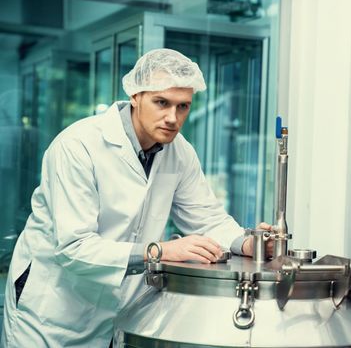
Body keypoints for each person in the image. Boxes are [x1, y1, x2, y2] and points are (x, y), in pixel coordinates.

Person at [1, 48, 271, 347]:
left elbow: (207, 218)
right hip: (53, 307)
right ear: (135, 96)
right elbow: (74, 248)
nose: (173, 118)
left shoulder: (180, 152)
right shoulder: (77, 146)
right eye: (161, 103)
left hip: (119, 308)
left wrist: (248, 243)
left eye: (183, 106)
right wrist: (161, 251)